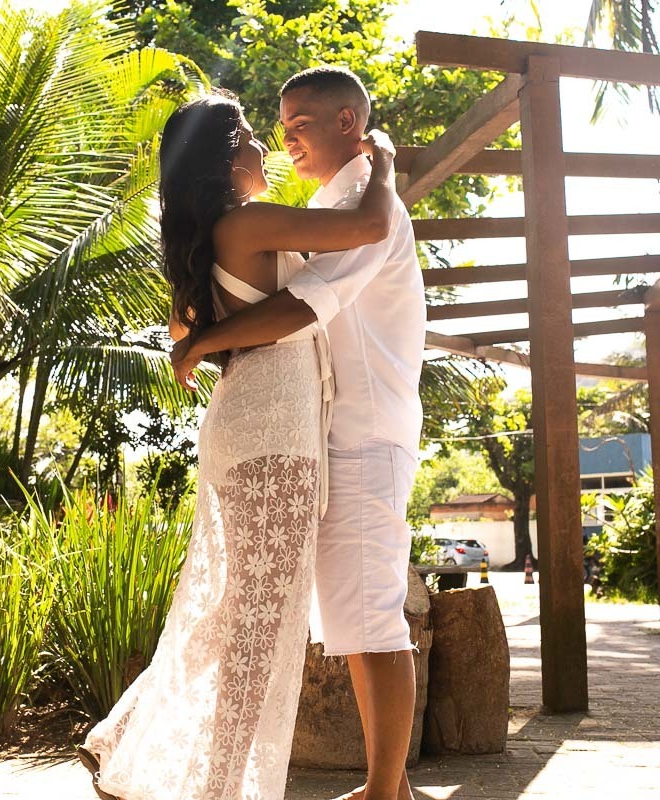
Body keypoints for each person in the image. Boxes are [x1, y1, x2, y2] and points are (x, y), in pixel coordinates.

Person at [75, 87, 399, 800]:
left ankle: (131, 739)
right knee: (259, 623)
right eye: (251, 135)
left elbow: (185, 331)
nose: (264, 147)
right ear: (225, 159)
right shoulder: (248, 222)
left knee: (241, 611)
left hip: (242, 425)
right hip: (276, 431)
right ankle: (217, 783)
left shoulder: (204, 241)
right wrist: (384, 161)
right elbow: (373, 226)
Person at [170, 67, 427, 800]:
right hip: (310, 432)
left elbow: (307, 305)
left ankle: (385, 790)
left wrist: (203, 343)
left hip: (362, 430)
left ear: (348, 122)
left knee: (369, 614)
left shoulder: (364, 199)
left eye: (298, 125)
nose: (284, 140)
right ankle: (386, 788)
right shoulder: (315, 207)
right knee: (343, 618)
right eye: (276, 128)